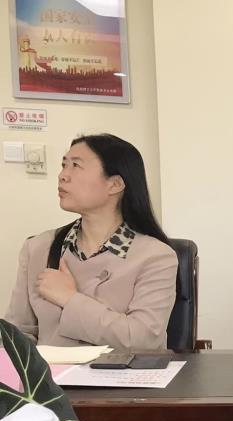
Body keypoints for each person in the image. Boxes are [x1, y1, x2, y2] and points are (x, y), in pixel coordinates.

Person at [5, 133, 177, 350]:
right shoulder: (38, 248)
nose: (62, 175)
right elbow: (15, 336)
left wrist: (70, 298)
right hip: (50, 373)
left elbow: (144, 340)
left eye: (76, 166)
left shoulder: (156, 257)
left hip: (125, 373)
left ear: (115, 184)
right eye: (64, 165)